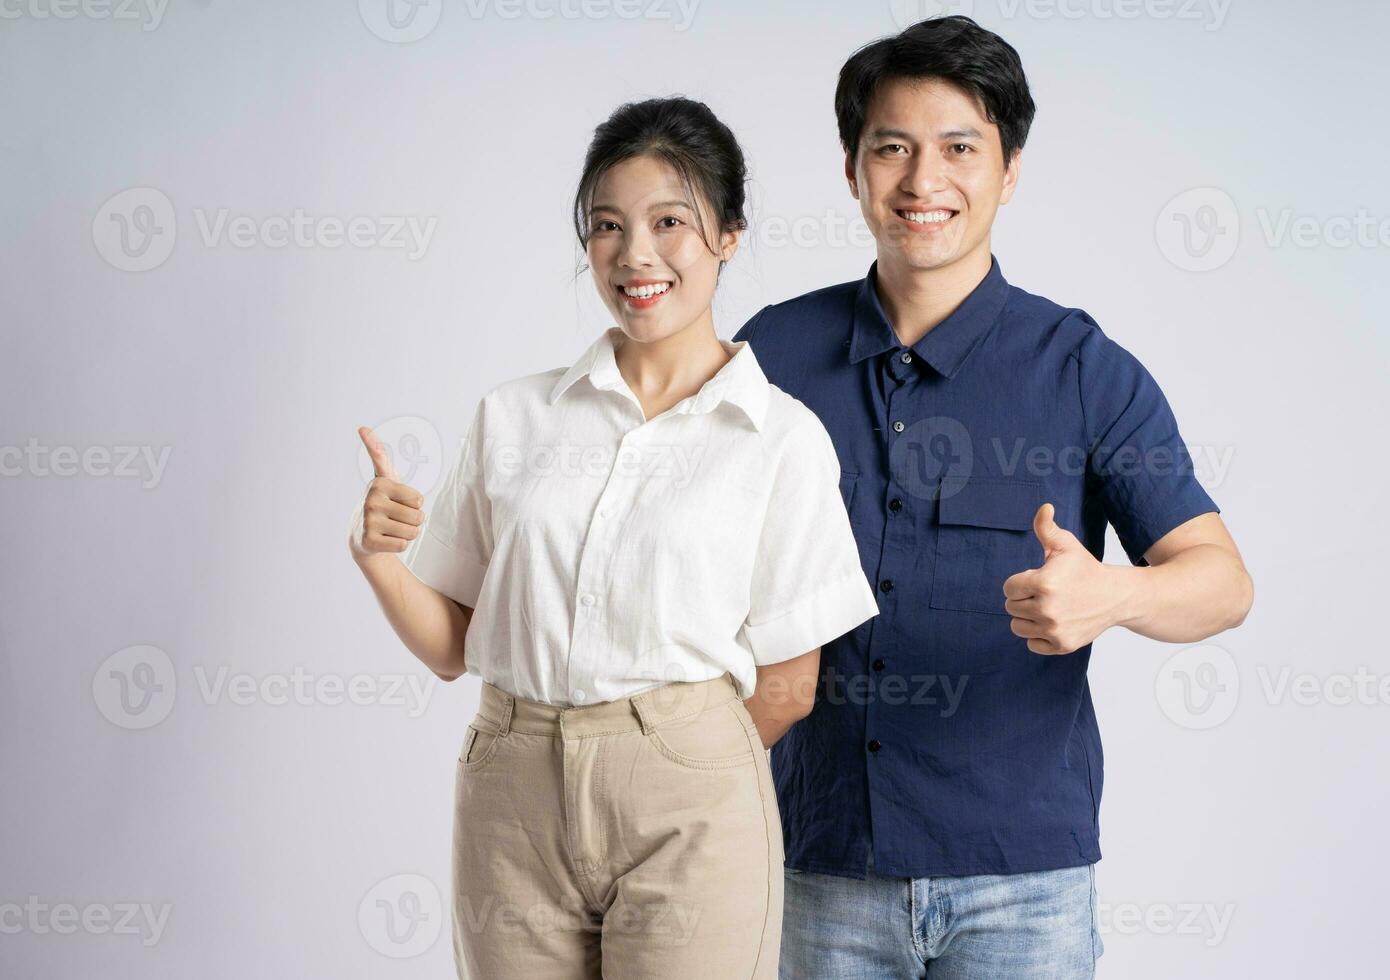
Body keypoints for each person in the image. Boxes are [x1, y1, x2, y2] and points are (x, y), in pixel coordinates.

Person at [732, 16, 1254, 979]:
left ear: (1009, 170)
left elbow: (1223, 582)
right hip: (819, 871)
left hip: (1024, 889)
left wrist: (1120, 595)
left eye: (960, 149)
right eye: (892, 148)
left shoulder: (1084, 369)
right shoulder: (769, 357)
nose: (923, 182)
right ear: (852, 169)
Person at [347, 96, 878, 979]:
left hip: (690, 794)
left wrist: (666, 758)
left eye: (670, 221)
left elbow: (788, 684)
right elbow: (450, 647)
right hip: (509, 789)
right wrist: (378, 561)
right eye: (607, 226)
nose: (635, 255)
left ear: (729, 235)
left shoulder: (780, 439)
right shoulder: (513, 415)